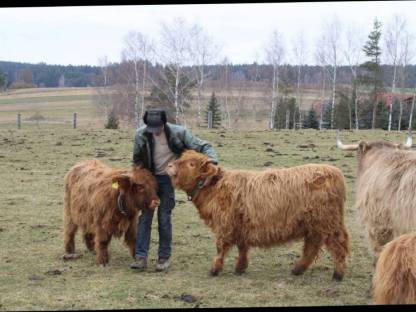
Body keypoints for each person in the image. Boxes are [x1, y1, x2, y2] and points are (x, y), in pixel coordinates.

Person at [130, 109, 219, 272]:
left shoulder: (179, 133)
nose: (155, 133)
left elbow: (204, 146)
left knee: (164, 217)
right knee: (145, 217)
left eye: (158, 129)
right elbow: (136, 161)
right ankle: (140, 257)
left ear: (164, 124)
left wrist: (212, 161)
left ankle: (164, 258)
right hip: (149, 178)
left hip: (168, 178)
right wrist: (139, 180)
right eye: (151, 129)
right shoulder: (140, 135)